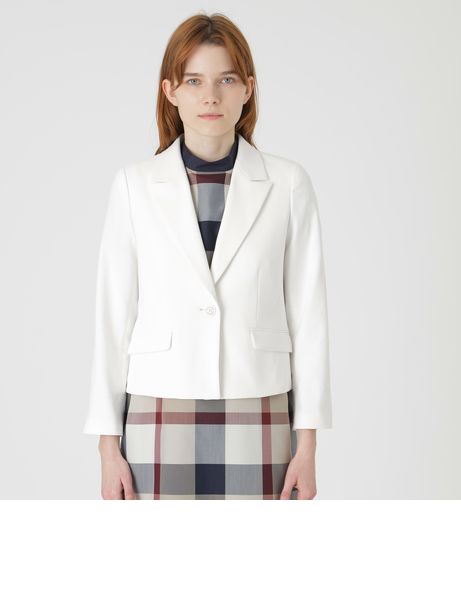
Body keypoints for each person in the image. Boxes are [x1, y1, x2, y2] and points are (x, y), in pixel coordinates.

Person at [84, 12, 333, 500]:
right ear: (171, 91)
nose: (211, 96)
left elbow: (310, 319)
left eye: (227, 79)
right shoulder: (134, 186)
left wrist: (308, 447)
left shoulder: (288, 183)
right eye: (194, 80)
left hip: (258, 402)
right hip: (159, 405)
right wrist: (107, 447)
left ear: (248, 89)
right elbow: (112, 317)